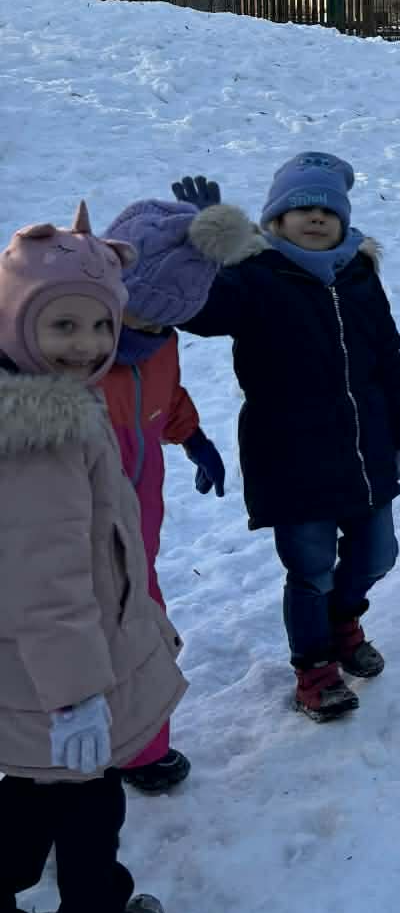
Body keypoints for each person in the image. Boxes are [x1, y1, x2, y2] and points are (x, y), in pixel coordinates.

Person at [0, 205, 185, 913]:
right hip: (58, 678)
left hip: (28, 676)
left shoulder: (49, 398)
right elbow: (47, 585)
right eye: (62, 325)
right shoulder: (39, 433)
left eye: (100, 326)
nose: (86, 345)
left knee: (28, 792)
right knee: (86, 810)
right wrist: (76, 697)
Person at [181, 153, 400, 721]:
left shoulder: (360, 276)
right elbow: (200, 313)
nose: (316, 218)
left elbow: (388, 358)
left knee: (378, 554)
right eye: (301, 208)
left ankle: (344, 623)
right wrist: (209, 248)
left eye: (327, 210)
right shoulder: (252, 277)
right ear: (275, 220)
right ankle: (314, 670)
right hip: (290, 456)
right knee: (311, 568)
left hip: (364, 450)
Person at [102, 180, 254, 794]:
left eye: (164, 321)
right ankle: (64, 763)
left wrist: (192, 438)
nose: (145, 331)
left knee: (143, 631)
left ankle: (141, 748)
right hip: (75, 535)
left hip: (138, 532)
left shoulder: (157, 346)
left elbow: (165, 397)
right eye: (135, 314)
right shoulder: (68, 351)